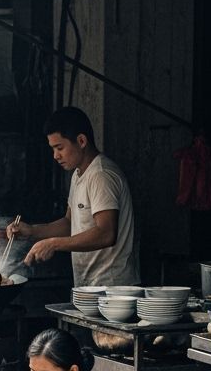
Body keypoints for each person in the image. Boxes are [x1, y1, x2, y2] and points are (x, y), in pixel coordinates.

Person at [12, 106, 136, 287]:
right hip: (90, 287)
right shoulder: (78, 175)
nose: (55, 156)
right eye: (53, 149)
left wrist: (53, 244)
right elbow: (70, 223)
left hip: (113, 288)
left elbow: (107, 233)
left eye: (59, 147)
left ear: (81, 140)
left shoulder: (101, 175)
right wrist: (32, 231)